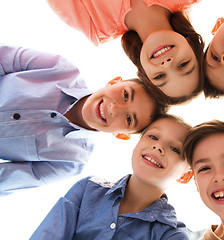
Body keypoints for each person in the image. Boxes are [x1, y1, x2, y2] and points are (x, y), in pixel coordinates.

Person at [0, 44, 168, 196]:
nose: (114, 108)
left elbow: (6, 180)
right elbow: (5, 57)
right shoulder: (60, 68)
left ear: (121, 135)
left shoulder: (71, 162)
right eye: (125, 95)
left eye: (129, 119)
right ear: (114, 82)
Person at [30, 114, 193, 240]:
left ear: (185, 176)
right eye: (153, 137)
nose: (158, 147)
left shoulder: (171, 234)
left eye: (175, 149)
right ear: (137, 143)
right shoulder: (88, 187)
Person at [46, 0, 205, 104]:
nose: (167, 64)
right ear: (192, 45)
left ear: (144, 72)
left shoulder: (95, 26)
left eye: (159, 76)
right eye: (183, 65)